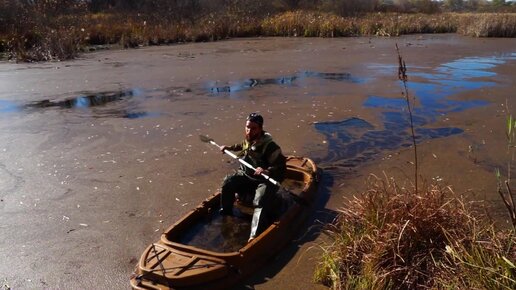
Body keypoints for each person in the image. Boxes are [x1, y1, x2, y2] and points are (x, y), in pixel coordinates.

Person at [219, 113, 287, 242]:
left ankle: (254, 236)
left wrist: (267, 171)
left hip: (265, 180)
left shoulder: (271, 147)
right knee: (228, 182)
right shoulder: (249, 138)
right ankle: (225, 212)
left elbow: (281, 167)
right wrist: (229, 148)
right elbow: (242, 146)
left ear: (260, 129)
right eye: (247, 127)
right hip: (248, 175)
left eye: (253, 128)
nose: (249, 131)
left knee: (260, 201)